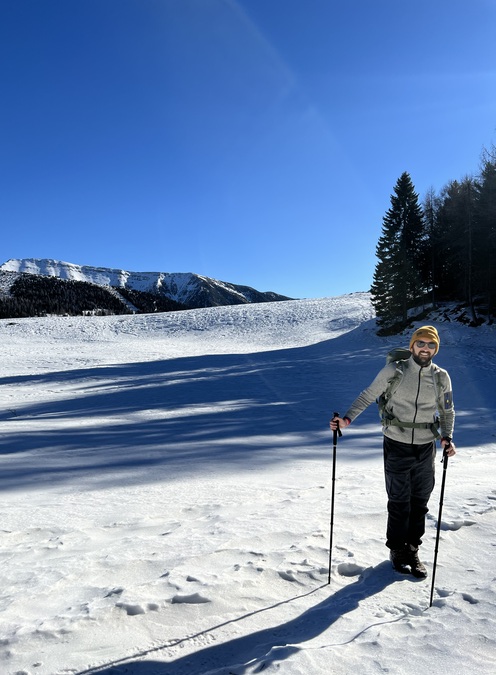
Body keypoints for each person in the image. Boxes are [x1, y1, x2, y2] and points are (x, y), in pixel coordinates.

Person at [330, 325, 455, 579]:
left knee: (420, 500)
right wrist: (347, 420)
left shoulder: (441, 376)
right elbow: (368, 395)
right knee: (399, 501)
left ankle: (412, 549)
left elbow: (447, 411)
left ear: (436, 349)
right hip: (396, 442)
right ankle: (397, 550)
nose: (425, 348)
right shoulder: (395, 370)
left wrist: (447, 437)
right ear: (412, 346)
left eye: (431, 345)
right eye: (421, 343)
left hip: (425, 445)